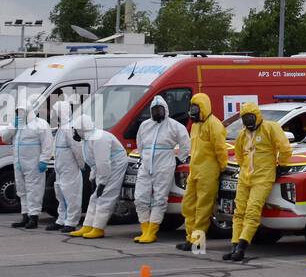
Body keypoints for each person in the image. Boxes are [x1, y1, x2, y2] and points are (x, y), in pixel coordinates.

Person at [225, 100, 291, 262]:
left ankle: (242, 246)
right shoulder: (242, 134)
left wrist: (281, 165)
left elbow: (284, 147)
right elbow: (239, 154)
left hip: (263, 178)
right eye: (245, 118)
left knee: (252, 211)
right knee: (238, 211)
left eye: (250, 117)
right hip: (245, 177)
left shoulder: (270, 128)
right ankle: (234, 245)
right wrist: (245, 168)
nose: (248, 121)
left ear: (257, 116)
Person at [132, 95, 190, 244]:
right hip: (146, 165)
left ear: (166, 110)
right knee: (140, 198)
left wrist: (179, 159)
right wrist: (144, 157)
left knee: (159, 198)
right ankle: (144, 228)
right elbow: (140, 144)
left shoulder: (174, 126)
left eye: (160, 109)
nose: (157, 112)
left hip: (165, 165)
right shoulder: (145, 125)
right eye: (155, 110)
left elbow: (185, 143)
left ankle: (152, 230)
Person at [178, 92, 226, 252]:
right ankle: (189, 237)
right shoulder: (196, 126)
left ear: (203, 108)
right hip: (195, 171)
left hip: (208, 173)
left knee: (203, 208)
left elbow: (220, 150)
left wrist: (222, 168)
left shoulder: (214, 125)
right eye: (191, 108)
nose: (192, 112)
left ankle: (197, 241)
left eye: (195, 108)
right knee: (188, 205)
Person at [68, 114, 128, 239]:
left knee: (106, 196)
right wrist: (93, 177)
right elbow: (94, 163)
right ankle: (88, 226)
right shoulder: (88, 139)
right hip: (104, 168)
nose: (74, 132)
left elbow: (103, 163)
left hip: (114, 166)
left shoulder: (99, 138)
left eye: (75, 130)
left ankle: (98, 228)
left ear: (81, 129)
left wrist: (102, 183)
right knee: (94, 197)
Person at [0, 96, 53, 229]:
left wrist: (44, 161)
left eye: (22, 111)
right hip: (19, 165)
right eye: (18, 111)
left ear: (29, 110)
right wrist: (13, 128)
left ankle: (33, 217)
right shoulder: (17, 124)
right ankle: (25, 216)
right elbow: (5, 139)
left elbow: (47, 145)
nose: (20, 113)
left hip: (34, 165)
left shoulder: (40, 125)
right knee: (22, 191)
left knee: (34, 191)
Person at [48, 99, 85, 232]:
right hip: (60, 169)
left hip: (70, 169)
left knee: (71, 195)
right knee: (61, 195)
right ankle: (61, 220)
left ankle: (71, 222)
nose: (53, 116)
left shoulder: (70, 129)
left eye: (55, 113)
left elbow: (78, 150)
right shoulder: (60, 130)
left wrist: (81, 165)